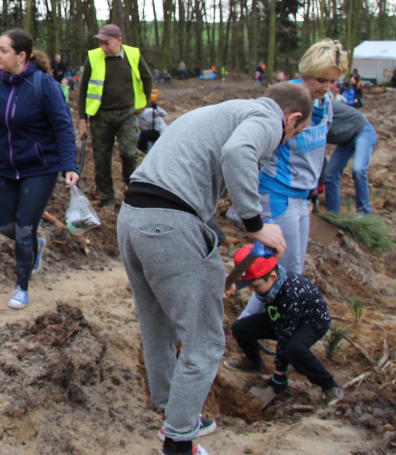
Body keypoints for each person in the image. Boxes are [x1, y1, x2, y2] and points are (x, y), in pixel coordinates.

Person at [117, 83, 311, 455]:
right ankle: (178, 442)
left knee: (156, 324)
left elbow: (188, 186)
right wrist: (256, 224)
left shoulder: (226, 112)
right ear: (292, 118)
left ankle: (173, 413)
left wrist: (208, 260)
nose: (284, 141)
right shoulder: (268, 119)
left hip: (133, 219)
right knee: (205, 341)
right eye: (293, 134)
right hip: (169, 224)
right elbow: (238, 153)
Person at [0, 29, 79, 310]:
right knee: (5, 227)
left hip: (40, 167)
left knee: (24, 227)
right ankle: (35, 244)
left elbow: (62, 126)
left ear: (21, 56)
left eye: (3, 51)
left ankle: (21, 287)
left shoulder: (44, 85)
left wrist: (69, 165)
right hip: (5, 166)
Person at [242, 39, 346, 321]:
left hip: (302, 197)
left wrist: (315, 191)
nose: (325, 87)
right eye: (320, 80)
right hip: (277, 194)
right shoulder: (287, 101)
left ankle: (258, 331)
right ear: (306, 73)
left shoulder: (327, 105)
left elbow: (319, 150)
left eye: (332, 81)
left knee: (291, 270)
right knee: (280, 274)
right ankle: (249, 330)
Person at [224, 245, 343, 407]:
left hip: (311, 322)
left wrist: (279, 375)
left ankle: (329, 385)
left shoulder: (289, 294)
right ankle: (253, 361)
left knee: (294, 349)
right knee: (240, 328)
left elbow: (284, 336)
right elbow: (248, 277)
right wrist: (232, 285)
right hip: (281, 317)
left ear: (272, 277)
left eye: (255, 286)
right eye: (249, 285)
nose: (252, 290)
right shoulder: (269, 283)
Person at [78, 23, 153, 206]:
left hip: (127, 112)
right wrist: (82, 119)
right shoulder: (93, 58)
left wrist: (144, 102)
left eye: (107, 43)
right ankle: (106, 196)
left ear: (119, 41)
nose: (103, 48)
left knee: (129, 153)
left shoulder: (133, 55)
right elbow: (83, 89)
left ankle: (130, 185)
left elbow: (147, 77)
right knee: (101, 157)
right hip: (100, 115)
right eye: (101, 43)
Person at [321, 100, 376, 216]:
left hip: (362, 131)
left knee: (358, 169)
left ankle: (364, 213)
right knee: (329, 174)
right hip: (345, 140)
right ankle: (333, 215)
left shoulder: (321, 106)